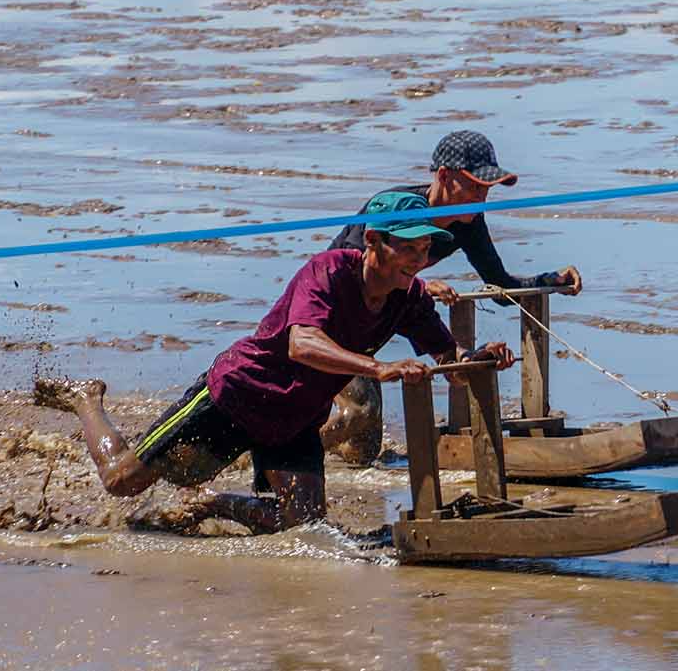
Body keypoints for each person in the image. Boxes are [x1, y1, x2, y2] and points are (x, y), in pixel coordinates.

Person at [34, 191, 514, 533]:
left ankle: (210, 503)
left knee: (301, 524)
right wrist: (375, 368)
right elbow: (302, 344)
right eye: (406, 247)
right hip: (236, 395)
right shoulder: (326, 273)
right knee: (123, 481)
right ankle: (86, 399)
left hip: (296, 418)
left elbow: (448, 355)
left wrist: (479, 360)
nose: (418, 259)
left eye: (425, 249)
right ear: (373, 242)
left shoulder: (409, 298)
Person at [323, 130, 582, 465]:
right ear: (444, 176)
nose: (482, 197)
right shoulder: (394, 208)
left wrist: (550, 281)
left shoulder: (468, 223)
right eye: (474, 186)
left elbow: (499, 285)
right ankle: (277, 460)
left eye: (487, 188)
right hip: (333, 321)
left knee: (363, 451)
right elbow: (350, 267)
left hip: (383, 325)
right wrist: (421, 283)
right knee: (361, 410)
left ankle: (317, 461)